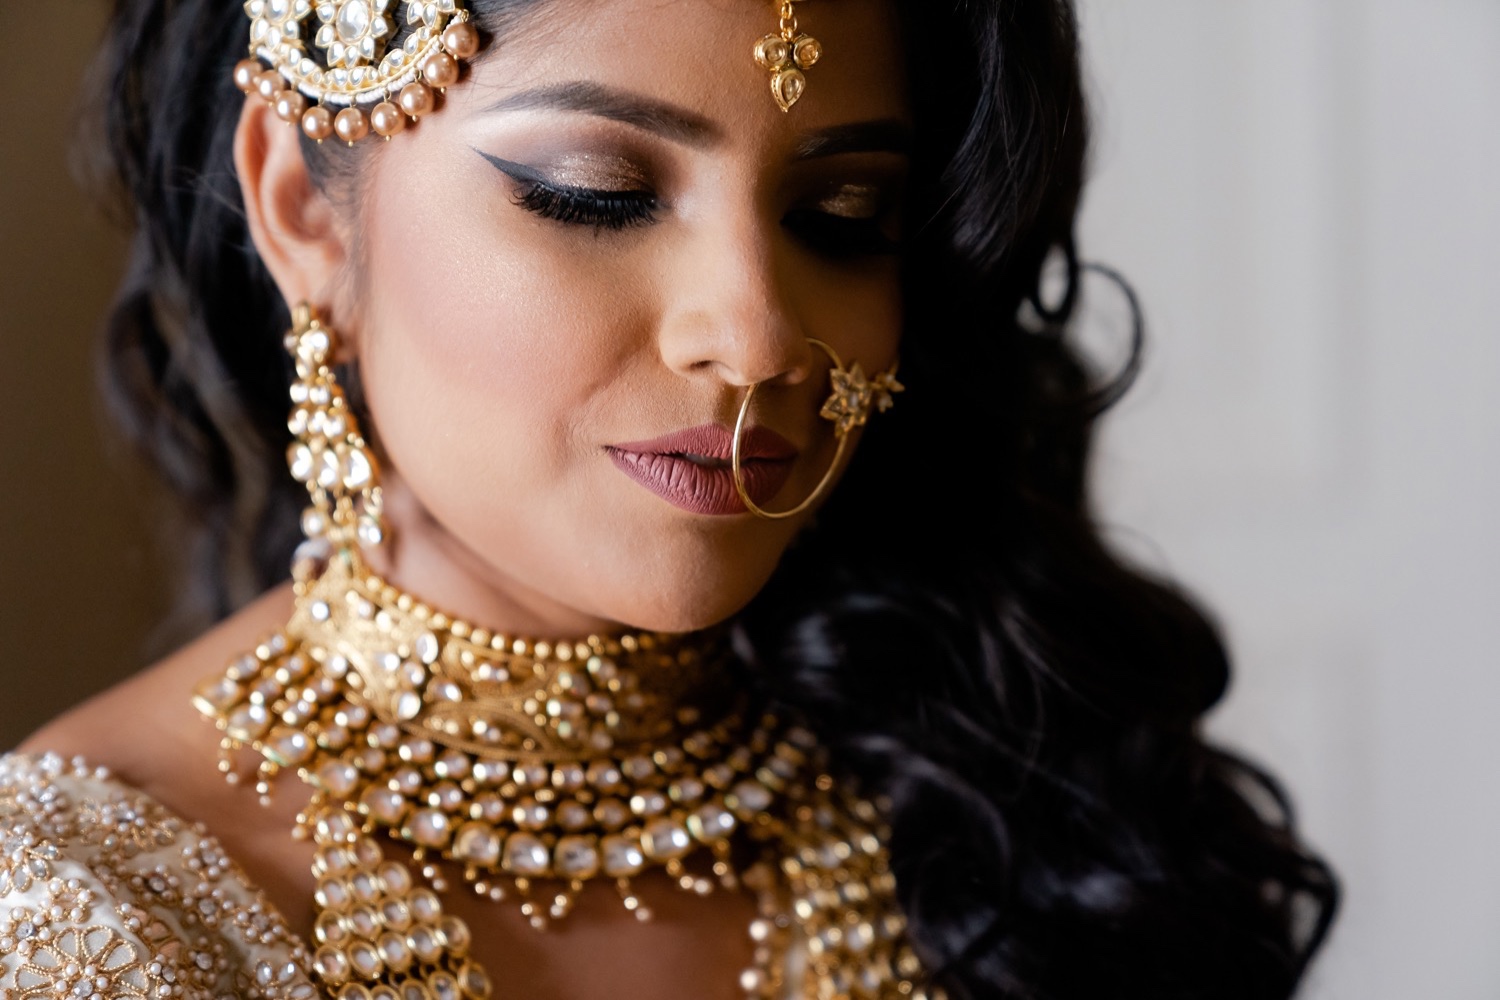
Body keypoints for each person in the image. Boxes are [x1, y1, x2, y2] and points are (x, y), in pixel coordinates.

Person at [2, 0, 1338, 996]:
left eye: (843, 214)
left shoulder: (985, 791)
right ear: (305, 211)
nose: (758, 340)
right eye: (598, 197)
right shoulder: (85, 922)